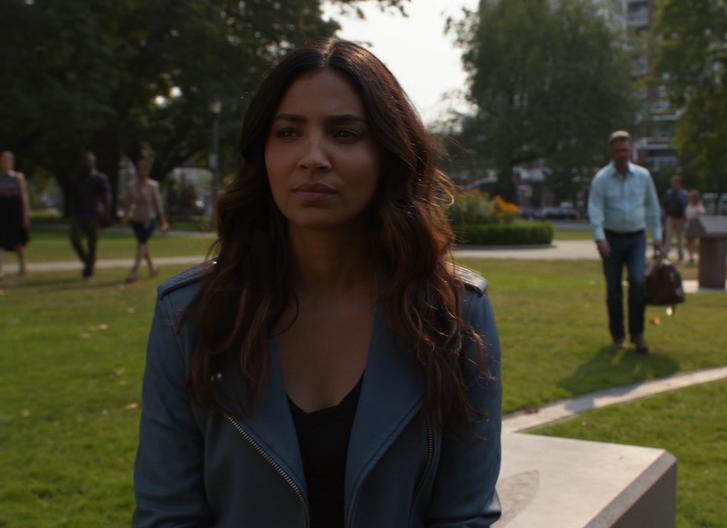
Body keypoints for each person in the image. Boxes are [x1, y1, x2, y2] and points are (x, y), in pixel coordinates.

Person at [133, 39, 502, 527]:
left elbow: (464, 515)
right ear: (262, 153)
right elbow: (168, 514)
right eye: (287, 132)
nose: (313, 157)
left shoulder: (454, 314)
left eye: (345, 133)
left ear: (388, 152)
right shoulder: (190, 315)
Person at [588, 130, 662, 354]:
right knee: (614, 290)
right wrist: (600, 238)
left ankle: (638, 334)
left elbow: (652, 207)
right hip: (611, 238)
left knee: (638, 284)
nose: (622, 154)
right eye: (618, 150)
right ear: (612, 151)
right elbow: (595, 209)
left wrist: (657, 236)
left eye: (625, 150)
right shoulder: (601, 179)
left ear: (631, 150)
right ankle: (618, 335)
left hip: (637, 237)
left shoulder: (643, 176)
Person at [123, 158, 169, 283]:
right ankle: (153, 268)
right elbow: (128, 204)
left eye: (144, 168)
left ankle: (134, 271)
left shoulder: (153, 186)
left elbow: (158, 205)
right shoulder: (131, 186)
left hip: (150, 218)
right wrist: (125, 218)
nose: (141, 171)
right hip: (137, 218)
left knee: (142, 243)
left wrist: (163, 222)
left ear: (147, 170)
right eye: (139, 168)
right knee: (143, 244)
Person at [69, 152, 112, 278]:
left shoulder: (99, 178)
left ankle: (89, 270)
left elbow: (107, 196)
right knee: (75, 238)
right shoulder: (76, 179)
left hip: (94, 215)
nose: (87, 163)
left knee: (92, 244)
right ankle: (87, 261)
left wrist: (105, 212)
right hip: (79, 214)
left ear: (94, 163)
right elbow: (73, 197)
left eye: (89, 161)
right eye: (85, 161)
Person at [0, 151, 30, 277]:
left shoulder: (18, 177)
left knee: (18, 242)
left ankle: (23, 266)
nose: (5, 162)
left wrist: (25, 215)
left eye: (8, 160)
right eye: (3, 160)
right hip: (2, 212)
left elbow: (23, 196)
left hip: (15, 212)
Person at [661, 173, 687, 261]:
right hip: (670, 217)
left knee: (680, 237)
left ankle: (680, 253)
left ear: (679, 183)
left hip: (679, 218)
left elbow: (684, 206)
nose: (673, 184)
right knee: (668, 236)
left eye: (675, 182)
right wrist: (664, 216)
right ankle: (665, 253)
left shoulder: (683, 193)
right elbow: (665, 204)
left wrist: (683, 217)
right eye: (672, 182)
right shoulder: (668, 193)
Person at [684, 190, 706, 264]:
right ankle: (691, 256)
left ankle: (700, 257)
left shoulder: (699, 206)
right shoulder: (688, 206)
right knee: (688, 242)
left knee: (695, 242)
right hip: (689, 225)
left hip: (696, 226)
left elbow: (702, 213)